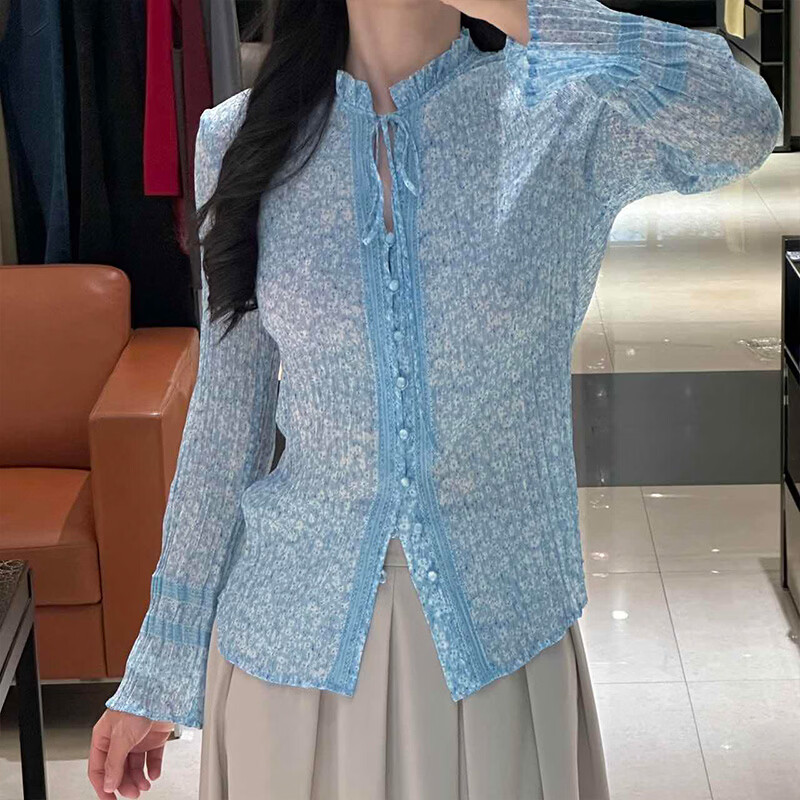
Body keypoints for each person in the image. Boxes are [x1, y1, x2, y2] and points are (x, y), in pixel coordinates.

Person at [88, 0, 782, 797]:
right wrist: (160, 661)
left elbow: (744, 122)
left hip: (500, 649)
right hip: (286, 658)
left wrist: (527, 11)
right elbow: (225, 418)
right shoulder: (241, 138)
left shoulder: (565, 114)